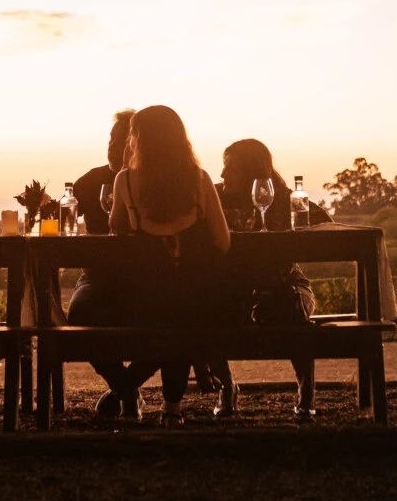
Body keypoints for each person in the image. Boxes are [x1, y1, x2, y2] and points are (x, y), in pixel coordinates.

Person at [108, 105, 231, 427]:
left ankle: (124, 389)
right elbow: (222, 241)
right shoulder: (199, 180)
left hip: (146, 295)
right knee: (182, 325)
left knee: (169, 325)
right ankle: (171, 409)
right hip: (200, 295)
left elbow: (117, 229)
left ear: (138, 139)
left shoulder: (126, 181)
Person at [211, 138, 332, 420]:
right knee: (206, 308)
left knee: (291, 309)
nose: (223, 175)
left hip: (285, 283)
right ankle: (227, 386)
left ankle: (306, 392)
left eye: (231, 168)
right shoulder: (216, 198)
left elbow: (323, 219)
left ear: (254, 173)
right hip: (237, 289)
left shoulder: (281, 198)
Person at [65, 109, 148, 419]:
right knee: (79, 315)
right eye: (111, 137)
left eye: (122, 137)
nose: (113, 144)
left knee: (171, 314)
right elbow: (65, 222)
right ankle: (127, 391)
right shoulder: (89, 182)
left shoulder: (157, 182)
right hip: (97, 278)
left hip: (148, 279)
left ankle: (124, 391)